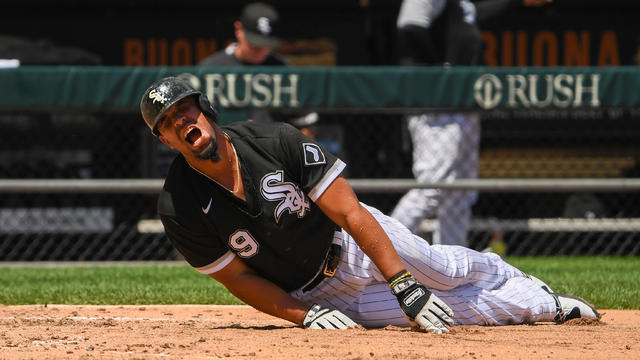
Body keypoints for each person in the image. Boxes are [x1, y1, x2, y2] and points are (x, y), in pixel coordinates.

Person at [139, 76, 599, 332]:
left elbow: (349, 211)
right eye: (169, 121)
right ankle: (544, 305)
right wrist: (305, 315)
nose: (182, 122)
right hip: (312, 292)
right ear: (162, 138)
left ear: (205, 108)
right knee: (439, 314)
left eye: (185, 109)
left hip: (354, 242)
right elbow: (237, 277)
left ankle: (506, 273)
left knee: (442, 272)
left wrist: (402, 281)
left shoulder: (272, 139)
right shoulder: (178, 206)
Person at [391, 0, 551, 248]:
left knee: (461, 192)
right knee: (432, 188)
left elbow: (473, 13)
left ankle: (452, 262)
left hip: (463, 103)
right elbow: (410, 26)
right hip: (437, 104)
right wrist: (439, 72)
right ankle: (377, 252)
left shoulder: (459, 5)